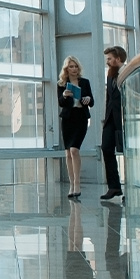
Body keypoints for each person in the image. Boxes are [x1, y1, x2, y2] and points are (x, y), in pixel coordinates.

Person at [57, 56, 94, 198]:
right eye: (71, 67)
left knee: (74, 150)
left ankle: (77, 183)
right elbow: (61, 103)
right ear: (66, 69)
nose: (74, 69)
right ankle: (71, 184)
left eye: (75, 66)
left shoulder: (85, 82)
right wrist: (65, 96)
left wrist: (88, 99)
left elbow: (91, 101)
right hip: (67, 119)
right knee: (68, 153)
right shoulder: (61, 84)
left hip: (81, 118)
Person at [100, 46, 127, 201]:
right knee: (106, 148)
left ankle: (130, 187)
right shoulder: (110, 75)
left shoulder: (129, 72)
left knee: (128, 152)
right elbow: (109, 98)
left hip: (124, 118)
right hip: (111, 118)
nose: (108, 61)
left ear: (118, 58)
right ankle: (114, 187)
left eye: (110, 58)